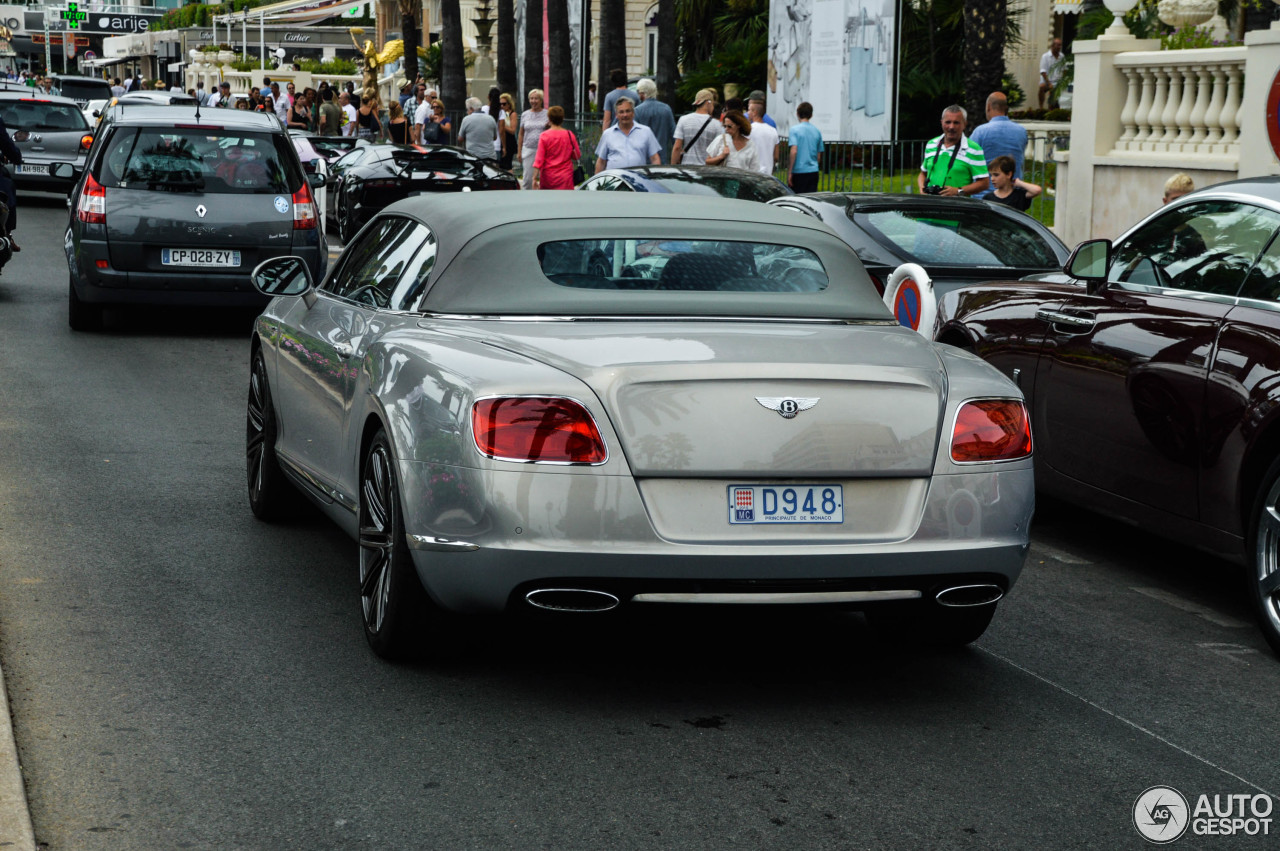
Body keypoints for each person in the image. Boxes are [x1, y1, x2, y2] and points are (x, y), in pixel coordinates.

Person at [917, 104, 988, 198]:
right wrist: (922, 188)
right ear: (941, 122)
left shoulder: (974, 149)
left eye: (956, 123)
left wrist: (958, 191)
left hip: (958, 208)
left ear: (964, 124)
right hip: (931, 205)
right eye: (948, 122)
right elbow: (923, 173)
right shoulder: (931, 144)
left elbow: (984, 183)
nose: (951, 127)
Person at [969, 91, 1027, 198]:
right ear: (1006, 108)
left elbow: (968, 160)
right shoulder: (1021, 131)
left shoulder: (980, 132)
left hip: (984, 196)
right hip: (1014, 196)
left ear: (988, 107)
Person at [594, 96, 661, 172]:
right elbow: (601, 162)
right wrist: (598, 183)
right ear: (616, 115)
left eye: (628, 111)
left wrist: (654, 178)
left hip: (639, 180)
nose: (625, 115)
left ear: (633, 113)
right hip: (615, 181)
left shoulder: (646, 131)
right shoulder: (607, 134)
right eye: (621, 112)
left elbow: (655, 158)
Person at [533, 105, 581, 190]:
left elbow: (539, 159)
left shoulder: (544, 136)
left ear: (549, 119)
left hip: (548, 177)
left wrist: (534, 178)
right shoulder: (569, 134)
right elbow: (577, 155)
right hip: (565, 177)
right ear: (562, 119)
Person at [671, 88, 722, 166]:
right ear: (708, 103)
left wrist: (673, 167)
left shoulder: (683, 119)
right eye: (712, 104)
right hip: (706, 170)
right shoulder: (717, 124)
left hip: (687, 168)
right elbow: (720, 149)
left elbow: (677, 147)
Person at [633, 78, 675, 164]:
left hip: (643, 160)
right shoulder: (666, 109)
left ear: (642, 93)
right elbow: (674, 134)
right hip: (662, 159)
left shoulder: (637, 111)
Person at [787, 101, 824, 193]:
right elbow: (818, 156)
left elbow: (794, 151)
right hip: (813, 171)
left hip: (799, 171)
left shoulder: (794, 130)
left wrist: (790, 171)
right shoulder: (817, 131)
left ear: (797, 114)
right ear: (811, 115)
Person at [517, 88, 548, 190]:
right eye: (531, 98)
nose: (533, 101)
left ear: (541, 100)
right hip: (528, 149)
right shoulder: (525, 114)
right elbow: (521, 134)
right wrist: (519, 151)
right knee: (527, 179)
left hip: (543, 150)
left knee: (544, 177)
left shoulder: (547, 114)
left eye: (536, 99)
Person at [747, 100, 779, 175]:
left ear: (754, 112)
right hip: (768, 174)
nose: (747, 113)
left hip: (752, 173)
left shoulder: (749, 130)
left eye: (749, 110)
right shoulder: (773, 131)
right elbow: (776, 157)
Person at [1039, 38, 1064, 108]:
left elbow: (1064, 69)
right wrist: (1049, 83)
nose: (1059, 47)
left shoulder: (1062, 56)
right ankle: (1041, 107)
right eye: (1058, 45)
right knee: (1042, 87)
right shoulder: (1045, 56)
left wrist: (1062, 81)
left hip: (1057, 81)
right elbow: (1043, 71)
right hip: (1047, 80)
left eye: (1060, 45)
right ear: (1052, 46)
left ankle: (1052, 107)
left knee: (1053, 100)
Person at [498, 92, 518, 169]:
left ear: (509, 104)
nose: (502, 106)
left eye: (504, 104)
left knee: (507, 164)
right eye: (500, 104)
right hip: (500, 140)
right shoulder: (499, 113)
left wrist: (502, 124)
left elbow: (513, 130)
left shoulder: (512, 114)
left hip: (509, 141)